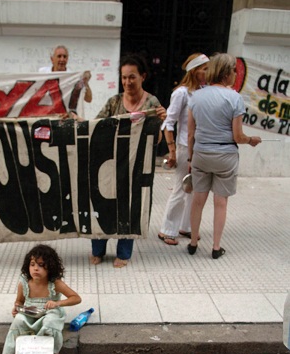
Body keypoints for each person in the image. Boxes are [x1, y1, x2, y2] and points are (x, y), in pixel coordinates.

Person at [90, 53, 166, 268]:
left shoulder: (152, 103)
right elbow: (95, 127)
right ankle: (98, 250)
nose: (127, 82)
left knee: (130, 208)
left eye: (132, 77)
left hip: (136, 169)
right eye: (124, 78)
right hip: (109, 167)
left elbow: (155, 140)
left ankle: (123, 253)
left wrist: (160, 120)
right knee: (102, 205)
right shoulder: (114, 102)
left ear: (143, 76)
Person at [187, 53, 261, 259]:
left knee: (198, 200)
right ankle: (216, 247)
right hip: (225, 155)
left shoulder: (196, 97)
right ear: (227, 73)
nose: (236, 74)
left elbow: (191, 133)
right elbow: (238, 136)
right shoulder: (235, 98)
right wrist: (251, 139)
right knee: (221, 203)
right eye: (234, 71)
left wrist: (190, 160)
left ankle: (193, 243)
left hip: (201, 153)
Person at [3, 244, 82, 354]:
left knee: (50, 322)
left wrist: (57, 303)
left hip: (50, 312)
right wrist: (16, 308)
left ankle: (52, 353)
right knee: (18, 321)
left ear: (50, 267)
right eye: (32, 264)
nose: (35, 269)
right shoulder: (25, 283)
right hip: (30, 311)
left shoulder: (55, 284)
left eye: (41, 265)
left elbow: (76, 298)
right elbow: (19, 301)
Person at [158, 53, 209, 245]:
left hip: (201, 147)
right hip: (184, 146)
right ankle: (167, 230)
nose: (207, 72)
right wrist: (172, 151)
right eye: (204, 68)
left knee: (195, 189)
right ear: (195, 71)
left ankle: (185, 227)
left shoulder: (205, 92)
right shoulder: (181, 93)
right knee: (180, 188)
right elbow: (169, 123)